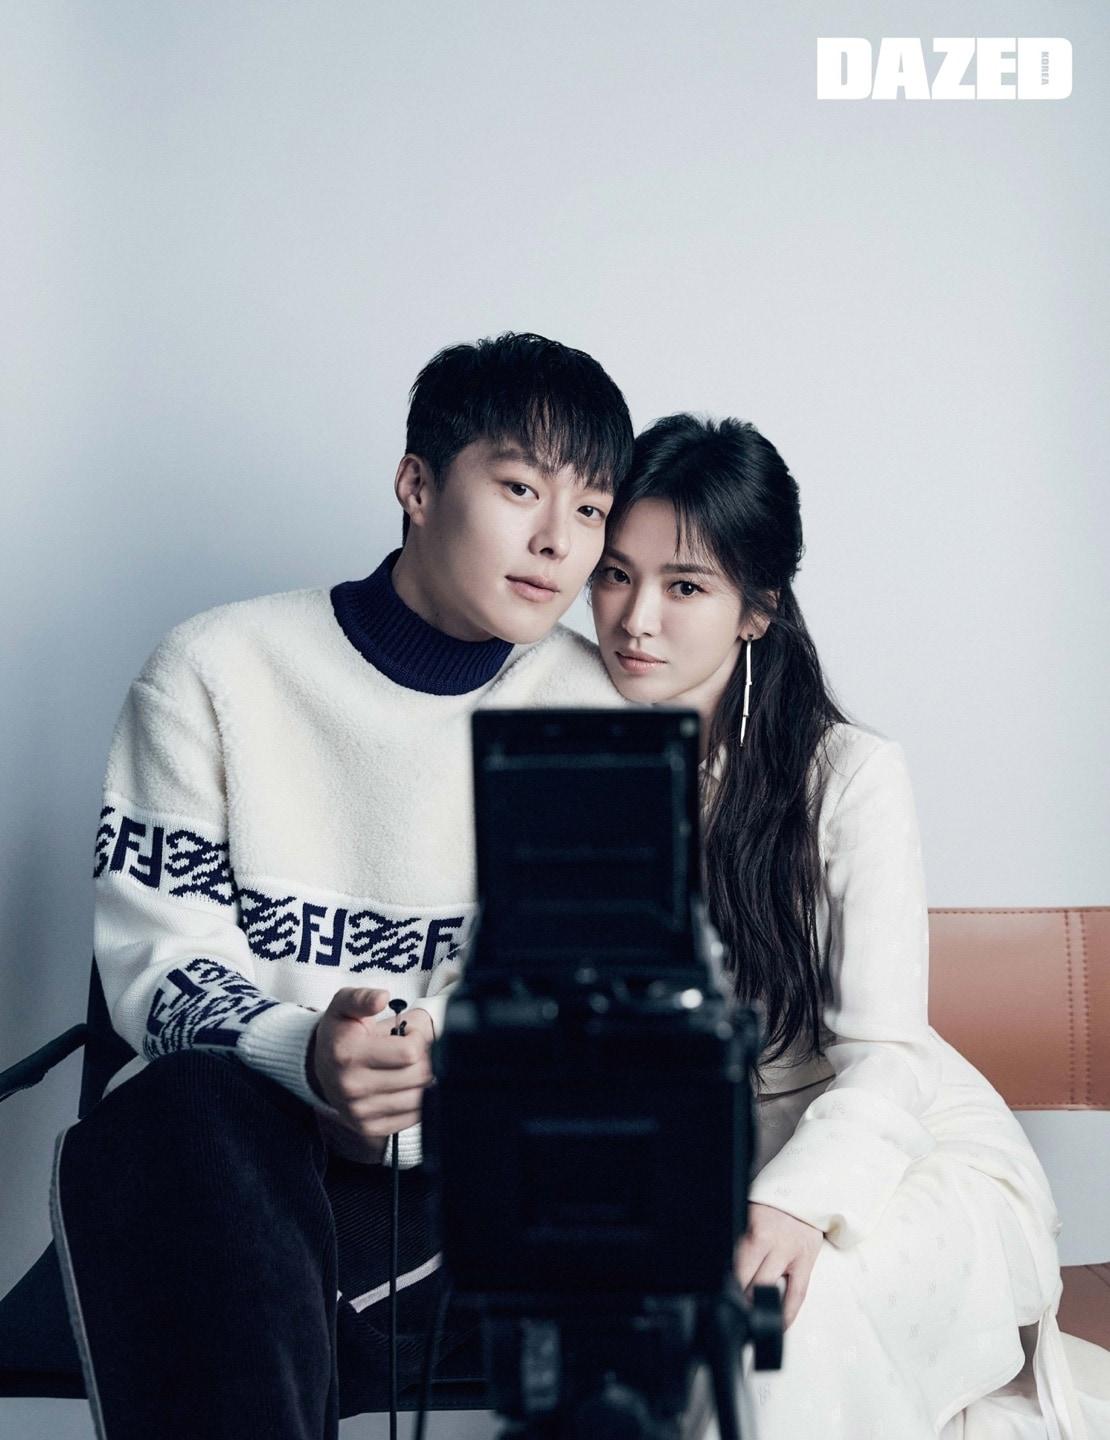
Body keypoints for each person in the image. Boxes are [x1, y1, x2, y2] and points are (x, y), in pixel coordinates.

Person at [51, 332, 634, 1439]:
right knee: (192, 1117)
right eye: (521, 488)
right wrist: (310, 1055)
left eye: (593, 509)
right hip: (229, 1158)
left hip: (454, 1187)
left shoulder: (595, 714)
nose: (558, 541)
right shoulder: (215, 671)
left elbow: (568, 986)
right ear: (417, 485)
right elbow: (158, 965)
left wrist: (419, 1065)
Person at [589, 413, 1110, 1439]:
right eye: (614, 574)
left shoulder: (847, 776)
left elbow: (886, 1057)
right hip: (710, 1170)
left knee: (779, 1336)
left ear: (756, 609)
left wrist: (794, 1204)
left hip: (897, 1156)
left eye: (685, 586)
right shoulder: (568, 759)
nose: (636, 619)